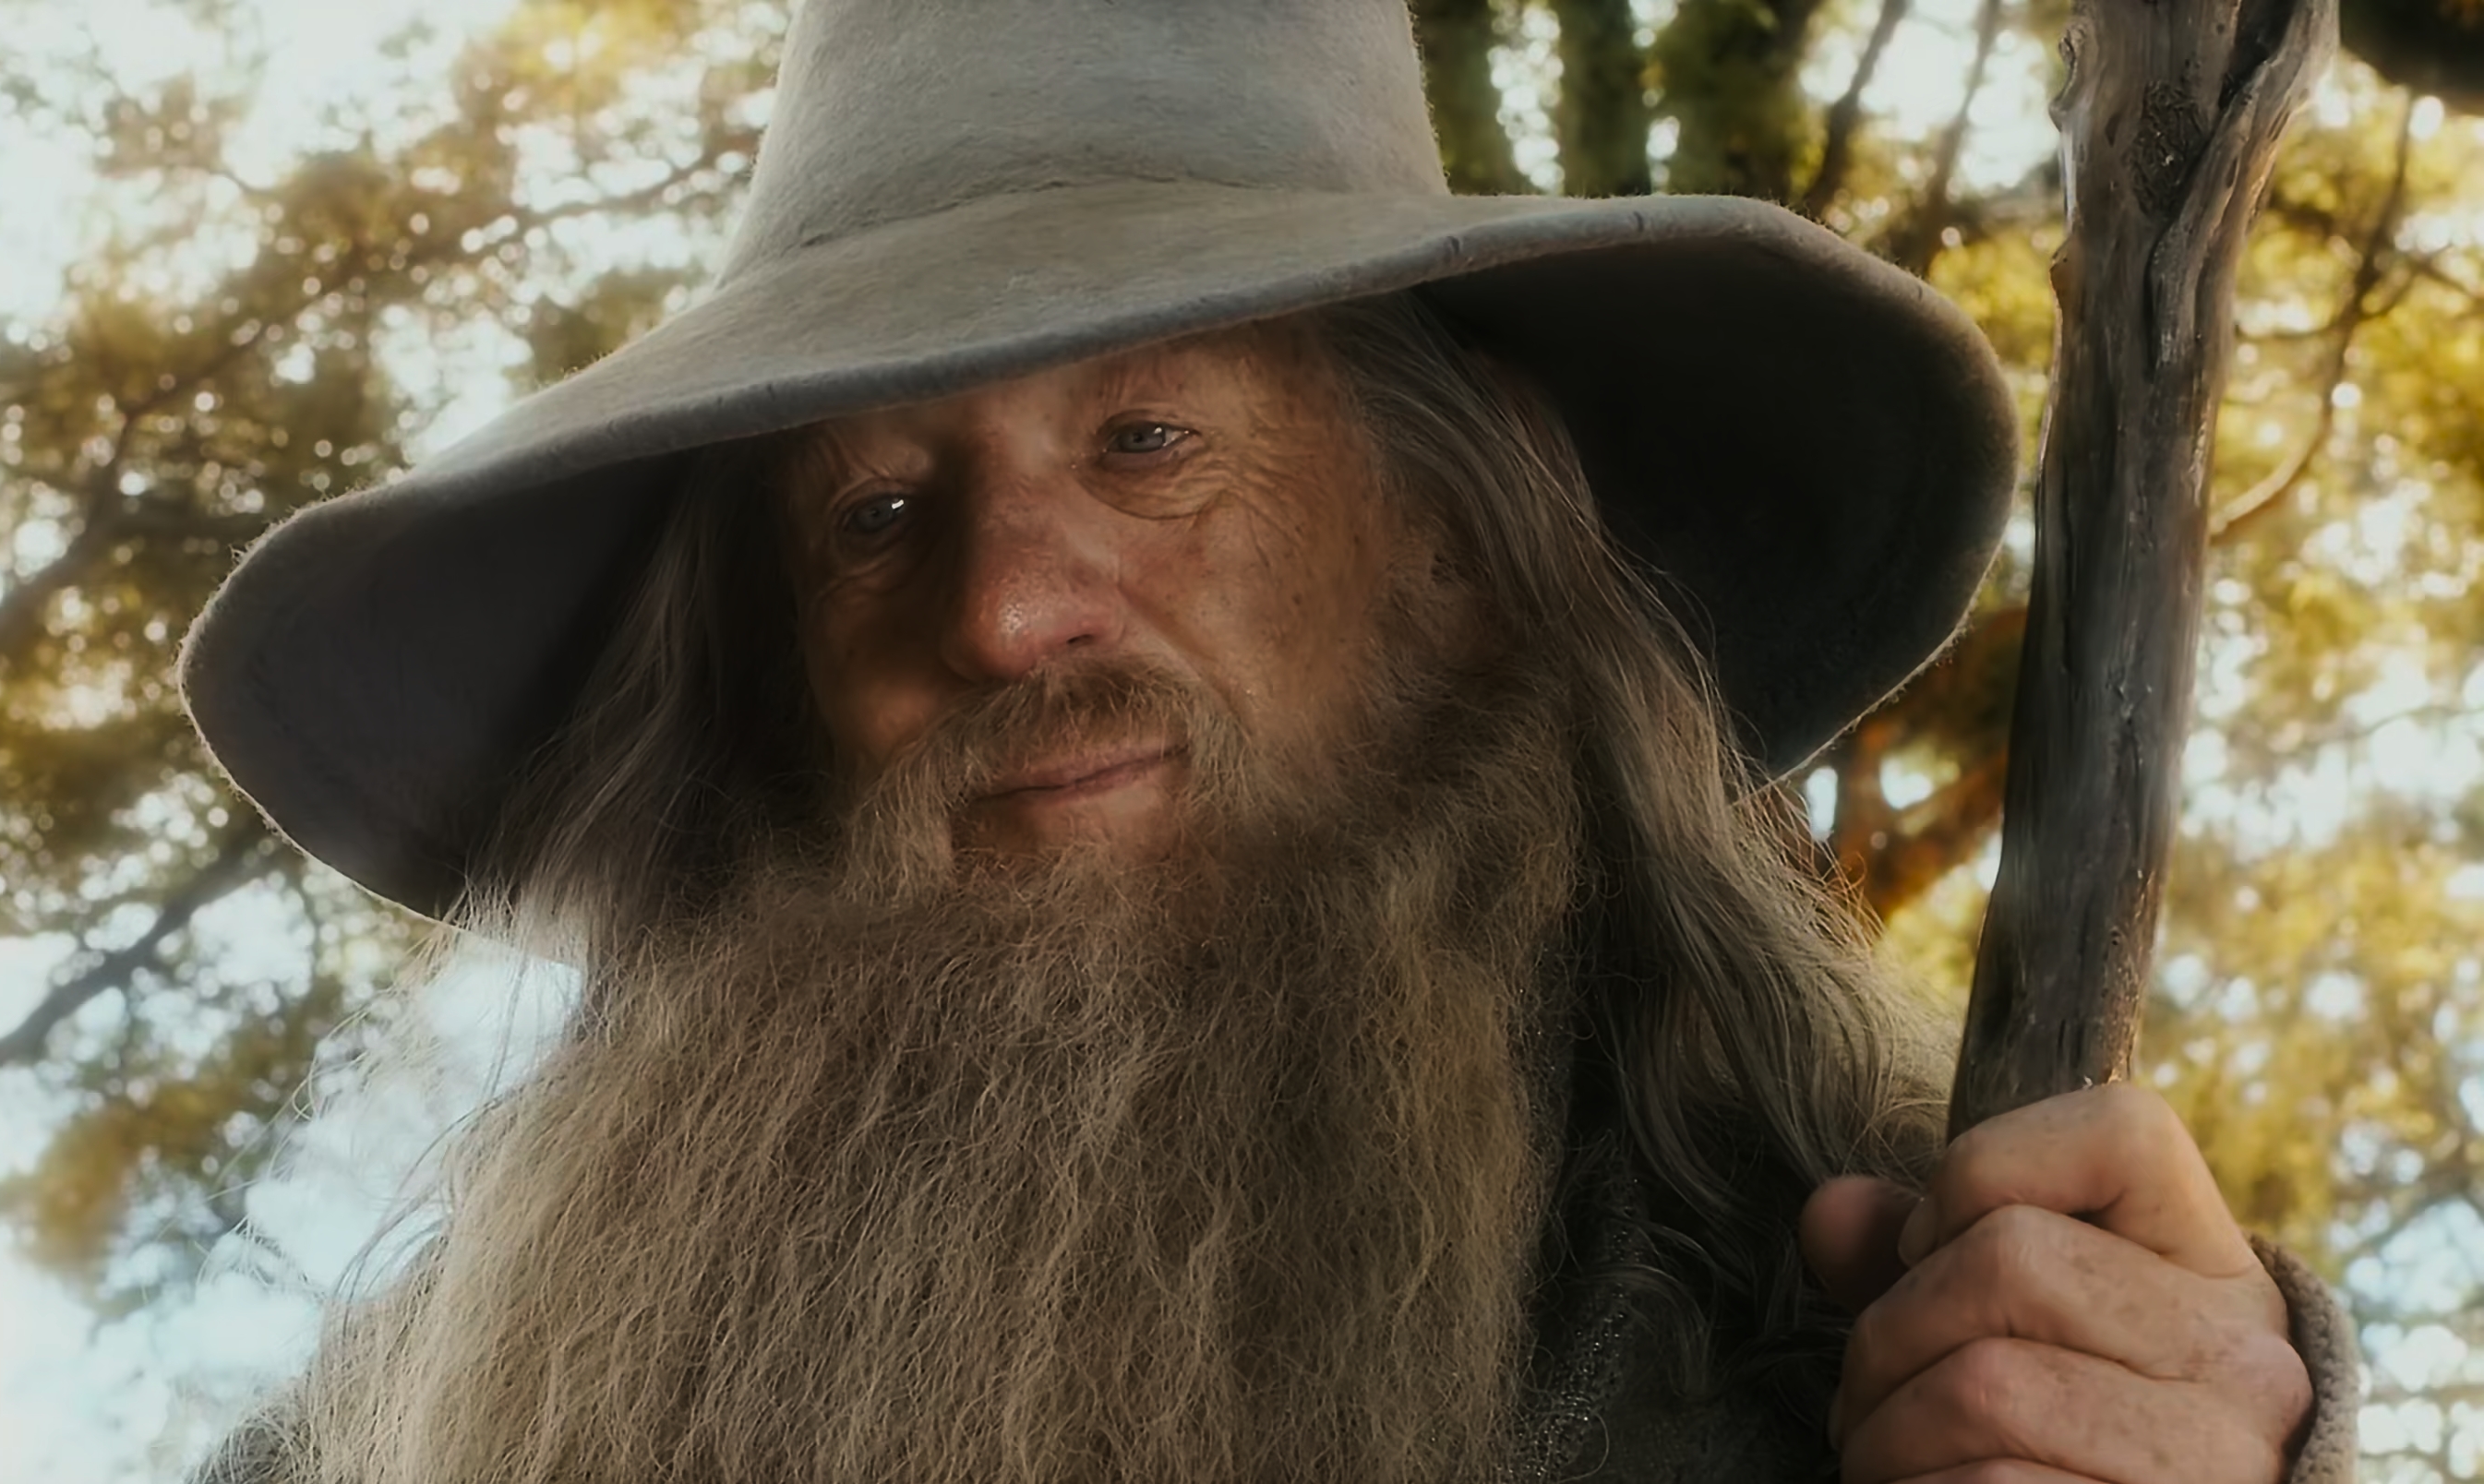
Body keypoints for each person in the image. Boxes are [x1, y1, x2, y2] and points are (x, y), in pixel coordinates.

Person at [174, 0, 2362, 1478]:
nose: (1005, 610)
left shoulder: (1876, 1318)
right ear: (771, 693)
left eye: (1146, 444)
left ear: (1453, 550)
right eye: (875, 516)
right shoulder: (435, 1434)